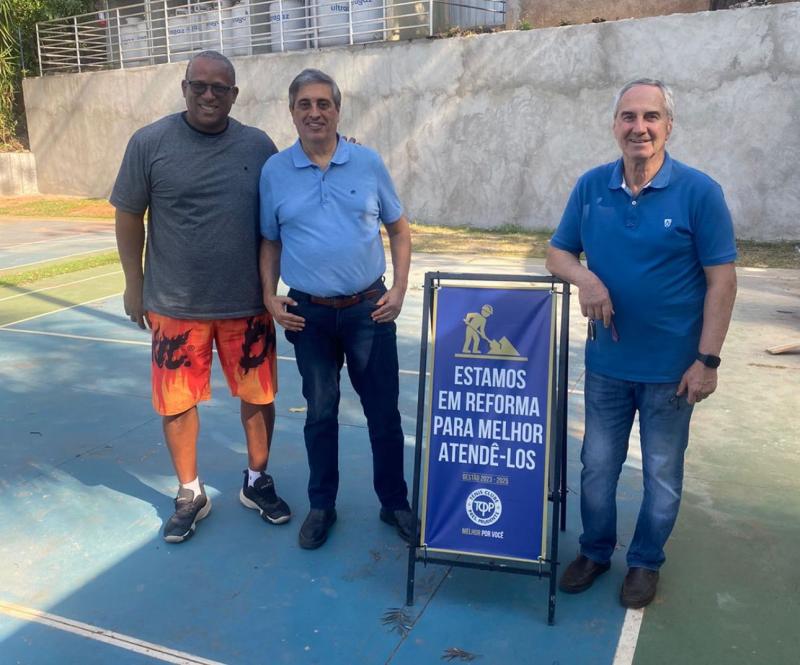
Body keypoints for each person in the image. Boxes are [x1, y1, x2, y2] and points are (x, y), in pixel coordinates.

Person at [546, 78, 737, 608]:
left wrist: (708, 361)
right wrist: (587, 279)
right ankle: (595, 549)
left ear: (668, 126)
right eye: (628, 117)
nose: (639, 127)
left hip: (674, 371)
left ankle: (646, 561)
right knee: (598, 466)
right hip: (608, 364)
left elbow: (722, 280)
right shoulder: (591, 188)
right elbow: (557, 253)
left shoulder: (699, 192)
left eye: (651, 117)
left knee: (661, 472)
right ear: (614, 126)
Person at [111, 50, 290, 544]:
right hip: (174, 305)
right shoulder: (149, 142)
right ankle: (190, 492)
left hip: (248, 303)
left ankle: (256, 482)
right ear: (184, 86)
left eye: (220, 88)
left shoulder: (258, 146)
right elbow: (129, 215)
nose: (209, 94)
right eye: (200, 85)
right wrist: (133, 282)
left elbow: (288, 197)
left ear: (234, 94)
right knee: (176, 403)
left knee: (259, 397)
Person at [259, 68, 415, 550]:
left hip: (369, 311)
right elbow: (269, 240)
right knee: (320, 414)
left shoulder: (367, 163)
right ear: (292, 113)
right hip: (310, 317)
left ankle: (395, 503)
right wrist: (269, 297)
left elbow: (399, 228)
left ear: (337, 110)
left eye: (323, 103)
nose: (315, 113)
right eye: (304, 104)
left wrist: (401, 287)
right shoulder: (275, 172)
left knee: (383, 414)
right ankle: (322, 505)